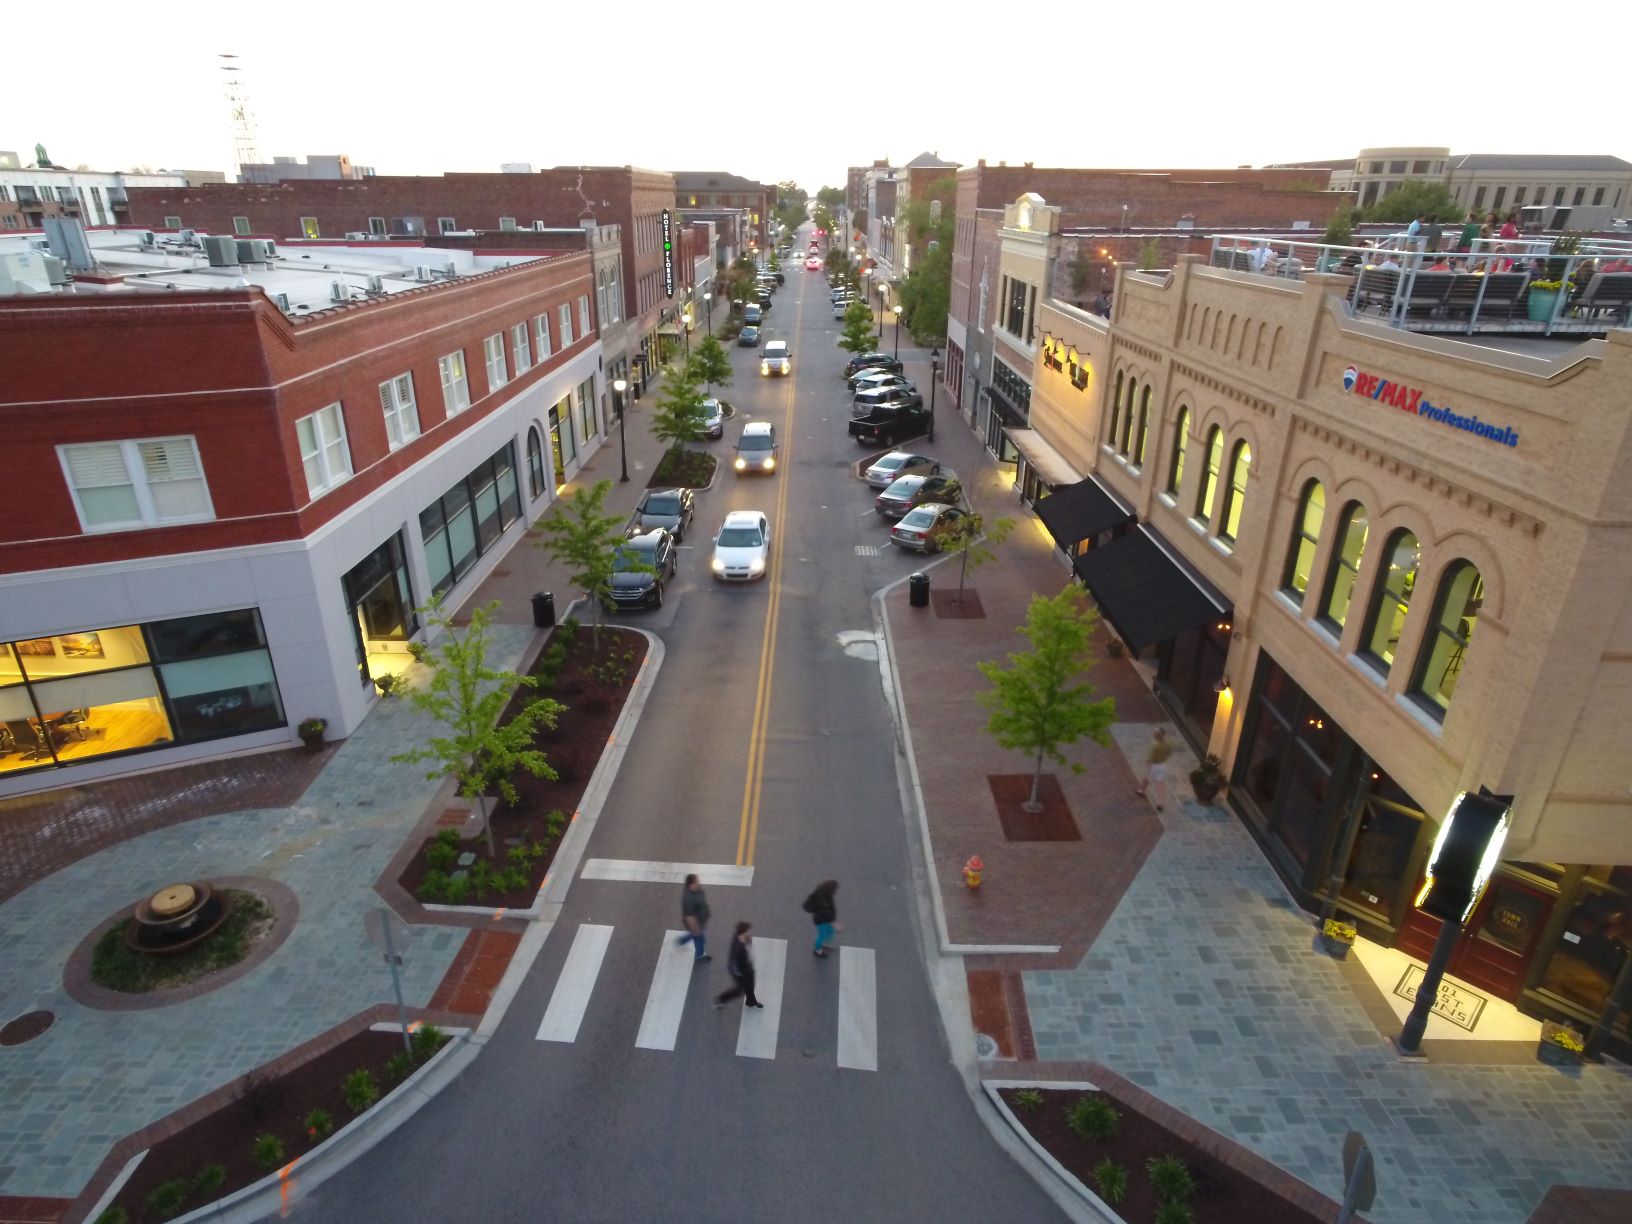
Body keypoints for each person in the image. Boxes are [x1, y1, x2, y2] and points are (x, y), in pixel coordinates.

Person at [714, 922, 763, 1009]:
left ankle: (751, 1002)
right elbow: (734, 960)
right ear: (743, 932)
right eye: (748, 931)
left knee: (750, 985)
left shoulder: (744, 938)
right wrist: (737, 973)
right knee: (739, 989)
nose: (749, 932)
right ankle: (721, 999)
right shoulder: (738, 946)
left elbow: (749, 949)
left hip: (747, 965)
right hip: (739, 970)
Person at [1135, 728, 1174, 811]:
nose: (1153, 733)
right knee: (1160, 785)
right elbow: (1169, 753)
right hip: (1163, 765)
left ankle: (1141, 790)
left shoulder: (1154, 745)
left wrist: (1147, 767)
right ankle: (1160, 803)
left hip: (1153, 765)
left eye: (1155, 733)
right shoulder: (1169, 743)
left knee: (1146, 777)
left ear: (1157, 735)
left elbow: (1150, 759)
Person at [675, 873, 711, 963]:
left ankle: (683, 940)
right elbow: (690, 917)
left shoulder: (697, 889)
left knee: (697, 936)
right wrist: (696, 929)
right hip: (696, 924)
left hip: (701, 920)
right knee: (699, 939)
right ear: (691, 885)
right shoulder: (688, 899)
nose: (699, 883)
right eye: (696, 882)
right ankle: (699, 955)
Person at [804, 879, 840, 958]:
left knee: (830, 931)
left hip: (826, 919)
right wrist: (833, 922)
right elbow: (825, 911)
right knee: (822, 935)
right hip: (821, 921)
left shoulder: (826, 894)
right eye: (835, 889)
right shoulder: (822, 899)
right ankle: (817, 950)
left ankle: (822, 943)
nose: (836, 891)